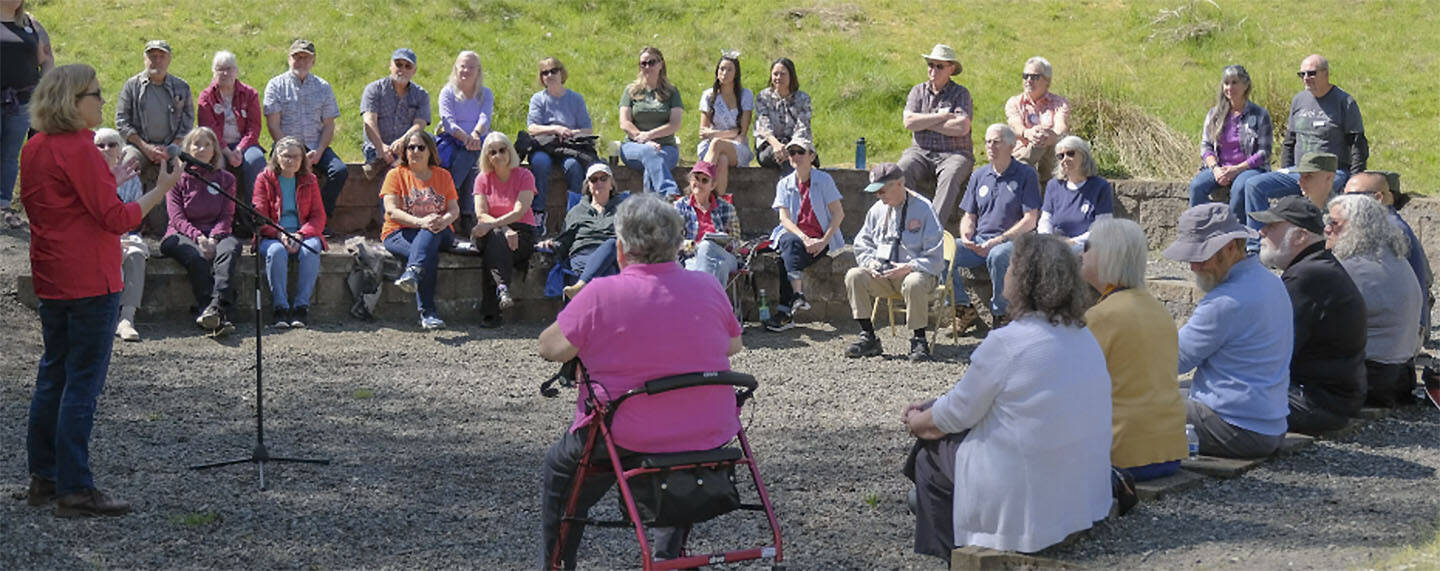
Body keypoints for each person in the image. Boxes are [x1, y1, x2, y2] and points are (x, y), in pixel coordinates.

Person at [538, 193, 744, 569]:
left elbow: (549, 348)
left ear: (620, 249)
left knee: (561, 471)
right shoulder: (708, 287)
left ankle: (556, 563)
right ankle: (670, 555)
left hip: (624, 434)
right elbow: (733, 345)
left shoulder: (600, 293)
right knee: (675, 455)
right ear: (679, 245)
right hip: (706, 432)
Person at [21, 63, 180, 517]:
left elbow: (68, 207)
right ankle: (74, 488)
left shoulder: (34, 149)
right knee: (81, 386)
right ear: (73, 102)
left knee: (53, 376)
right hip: (90, 278)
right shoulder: (80, 149)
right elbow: (116, 218)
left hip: (53, 276)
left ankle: (44, 478)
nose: (101, 99)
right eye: (95, 93)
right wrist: (161, 190)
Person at [902, 232, 1112, 558]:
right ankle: (928, 506)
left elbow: (955, 415)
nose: (1006, 273)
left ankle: (954, 558)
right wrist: (932, 410)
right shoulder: (1084, 336)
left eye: (1011, 267)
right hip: (1082, 490)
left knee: (928, 453)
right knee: (936, 434)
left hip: (1029, 498)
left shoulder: (1007, 343)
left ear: (1025, 280)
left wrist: (918, 420)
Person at [1162, 203, 1291, 458]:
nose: (1193, 267)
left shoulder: (1224, 302)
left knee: (1129, 405)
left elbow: (1168, 363)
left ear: (1231, 247)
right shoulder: (1271, 283)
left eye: (1200, 256)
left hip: (1236, 428)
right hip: (1270, 422)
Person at [1081, 219, 1187, 481]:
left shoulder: (1101, 317)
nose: (1081, 253)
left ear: (1105, 255)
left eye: (1087, 246)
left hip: (1123, 453)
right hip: (1169, 449)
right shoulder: (1158, 310)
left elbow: (1073, 387)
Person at [1251, 196, 1366, 434]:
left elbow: (1275, 349)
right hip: (1333, 398)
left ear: (1300, 236)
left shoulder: (1307, 276)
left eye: (1272, 226)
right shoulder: (1317, 267)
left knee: (1209, 400)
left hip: (1317, 402)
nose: (1261, 232)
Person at [1241, 54, 1366, 246]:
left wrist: (1355, 180)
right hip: (1298, 171)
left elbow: (1357, 144)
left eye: (1312, 73)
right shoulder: (1298, 101)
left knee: (1319, 189)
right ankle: (1257, 246)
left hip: (1332, 172)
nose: (1306, 78)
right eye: (1302, 74)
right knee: (1253, 185)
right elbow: (1289, 141)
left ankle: (1319, 243)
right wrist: (1286, 168)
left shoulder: (1345, 102)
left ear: (1326, 74)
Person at [1325, 194, 1423, 408]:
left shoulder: (1352, 266)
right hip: (1402, 376)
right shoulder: (1394, 258)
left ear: (1358, 227)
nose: (1327, 229)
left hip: (1372, 379)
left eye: (1334, 223)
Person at [844, 163, 943, 362]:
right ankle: (868, 336)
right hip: (884, 276)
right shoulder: (876, 210)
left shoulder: (924, 209)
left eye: (882, 190)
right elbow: (862, 243)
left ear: (900, 183)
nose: (879, 196)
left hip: (918, 274)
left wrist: (908, 267)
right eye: (876, 192)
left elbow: (935, 256)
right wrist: (870, 263)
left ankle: (919, 340)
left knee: (913, 281)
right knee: (854, 275)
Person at [953, 124, 1041, 331]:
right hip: (981, 241)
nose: (990, 146)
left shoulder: (1026, 174)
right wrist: (966, 235)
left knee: (998, 255)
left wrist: (999, 240)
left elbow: (1030, 219)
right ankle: (963, 308)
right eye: (987, 141)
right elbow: (969, 215)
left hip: (1015, 242)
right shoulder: (979, 175)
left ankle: (1001, 313)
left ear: (1011, 145)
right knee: (943, 251)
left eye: (996, 141)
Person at [160, 126, 239, 336]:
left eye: (207, 144)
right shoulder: (176, 178)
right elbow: (176, 217)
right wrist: (199, 238)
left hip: (217, 233)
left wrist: (213, 237)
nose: (202, 148)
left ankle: (215, 309)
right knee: (196, 258)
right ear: (187, 148)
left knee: (229, 251)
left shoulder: (226, 179)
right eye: (197, 144)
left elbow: (226, 216)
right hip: (181, 234)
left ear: (215, 150)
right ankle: (214, 310)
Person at [762, 138, 844, 332]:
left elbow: (839, 213)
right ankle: (796, 296)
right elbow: (785, 219)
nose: (796, 156)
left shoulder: (824, 180)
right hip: (793, 235)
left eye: (801, 152)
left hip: (820, 240)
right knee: (789, 242)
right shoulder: (784, 184)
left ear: (812, 156)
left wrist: (824, 241)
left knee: (784, 259)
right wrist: (804, 237)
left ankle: (785, 312)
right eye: (792, 153)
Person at [114, 39, 193, 233]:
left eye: (161, 56)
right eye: (152, 56)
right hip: (139, 145)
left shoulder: (182, 87)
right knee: (128, 162)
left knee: (185, 168)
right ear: (145, 59)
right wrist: (145, 147)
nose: (156, 61)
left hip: (172, 146)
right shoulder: (132, 86)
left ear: (169, 60)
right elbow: (121, 121)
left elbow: (188, 120)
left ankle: (181, 224)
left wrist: (172, 146)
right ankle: (125, 222)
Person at [382, 131, 459, 330]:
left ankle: (413, 271)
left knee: (430, 233)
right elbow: (391, 210)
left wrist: (442, 220)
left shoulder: (443, 176)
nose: (415, 151)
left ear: (430, 151)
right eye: (411, 147)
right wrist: (420, 222)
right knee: (428, 253)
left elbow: (454, 210)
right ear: (405, 152)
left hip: (440, 231)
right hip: (398, 232)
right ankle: (428, 313)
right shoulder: (396, 175)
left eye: (421, 147)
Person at [263, 39, 346, 221]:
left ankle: (321, 219)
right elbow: (273, 125)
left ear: (313, 61)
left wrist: (320, 151)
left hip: (316, 145)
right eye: (296, 57)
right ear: (288, 59)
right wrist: (294, 154)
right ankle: (279, 218)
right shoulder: (275, 85)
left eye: (305, 58)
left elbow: (329, 125)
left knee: (339, 171)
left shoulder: (323, 87)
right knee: (272, 175)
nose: (301, 62)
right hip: (285, 146)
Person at [1343, 172, 1432, 341]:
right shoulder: (1385, 224)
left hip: (1401, 334)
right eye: (1343, 194)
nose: (1344, 202)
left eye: (1352, 196)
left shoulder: (1388, 230)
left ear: (1378, 198)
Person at [252, 136, 327, 328]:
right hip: (272, 234)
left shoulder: (310, 180)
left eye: (295, 156)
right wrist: (280, 233)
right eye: (285, 156)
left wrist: (301, 234)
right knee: (276, 252)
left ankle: (301, 307)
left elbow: (318, 216)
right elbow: (259, 217)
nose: (290, 161)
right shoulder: (264, 179)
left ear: (302, 159)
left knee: (311, 249)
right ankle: (280, 308)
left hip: (303, 233)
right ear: (276, 156)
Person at [898, 44, 974, 226]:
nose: (933, 70)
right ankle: (902, 222)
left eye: (939, 66)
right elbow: (909, 122)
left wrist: (924, 123)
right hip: (920, 151)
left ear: (951, 69)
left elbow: (962, 127)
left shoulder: (961, 93)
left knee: (951, 175)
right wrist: (941, 117)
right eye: (931, 64)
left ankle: (933, 227)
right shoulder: (918, 91)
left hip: (955, 153)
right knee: (901, 169)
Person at [1187, 65, 1273, 223]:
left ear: (1245, 85)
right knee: (1196, 186)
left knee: (1239, 188)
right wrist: (1215, 169)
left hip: (1250, 169)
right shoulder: (1215, 114)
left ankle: (1233, 235)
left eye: (1234, 82)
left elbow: (1264, 153)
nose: (1229, 87)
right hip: (1220, 168)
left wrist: (1237, 169)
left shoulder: (1260, 114)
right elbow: (1206, 146)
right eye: (1226, 83)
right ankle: (1201, 232)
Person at [471, 132, 538, 328]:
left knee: (496, 244)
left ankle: (492, 310)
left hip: (522, 232)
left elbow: (519, 211)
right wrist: (503, 227)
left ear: (510, 152)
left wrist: (502, 227)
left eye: (502, 150)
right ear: (487, 157)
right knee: (497, 237)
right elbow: (481, 213)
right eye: (492, 152)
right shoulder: (482, 179)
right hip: (488, 230)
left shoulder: (525, 176)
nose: (498, 155)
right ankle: (502, 290)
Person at [196, 50, 266, 234]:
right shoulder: (206, 97)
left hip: (246, 145)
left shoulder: (250, 94)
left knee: (257, 161)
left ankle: (257, 215)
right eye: (220, 69)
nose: (225, 73)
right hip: (217, 146)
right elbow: (209, 129)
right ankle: (217, 219)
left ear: (236, 71)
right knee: (216, 165)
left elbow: (254, 127)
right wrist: (227, 152)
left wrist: (241, 149)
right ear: (213, 71)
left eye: (229, 69)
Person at [93, 128, 149, 342]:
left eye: (112, 144)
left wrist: (122, 234)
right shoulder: (90, 176)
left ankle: (126, 318)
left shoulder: (131, 176)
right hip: (98, 236)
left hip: (126, 232)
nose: (106, 149)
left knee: (135, 253)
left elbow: (136, 213)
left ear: (120, 149)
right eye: (101, 145)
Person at [1, 0, 53, 228]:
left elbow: (46, 58)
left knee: (10, 156)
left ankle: (4, 206)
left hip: (22, 102)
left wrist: (44, 89)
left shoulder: (30, 22)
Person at [526, 56, 592, 236]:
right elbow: (532, 128)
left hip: (569, 147)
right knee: (540, 163)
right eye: (544, 73)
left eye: (553, 70)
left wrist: (570, 133)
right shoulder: (538, 99)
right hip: (545, 146)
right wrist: (555, 129)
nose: (549, 75)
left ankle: (575, 214)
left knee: (573, 167)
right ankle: (538, 214)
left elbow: (587, 129)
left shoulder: (575, 99)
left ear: (561, 73)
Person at [542, 162, 624, 299]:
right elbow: (566, 239)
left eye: (603, 178)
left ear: (612, 184)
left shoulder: (624, 209)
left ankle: (580, 286)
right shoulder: (577, 211)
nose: (599, 182)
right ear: (588, 186)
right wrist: (553, 244)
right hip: (582, 255)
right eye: (594, 179)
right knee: (607, 271)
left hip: (614, 255)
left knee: (611, 244)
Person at [436, 51, 494, 236]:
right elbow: (448, 121)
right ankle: (468, 214)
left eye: (471, 67)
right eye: (462, 66)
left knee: (474, 155)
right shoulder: (448, 92)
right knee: (472, 156)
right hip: (453, 140)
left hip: (478, 139)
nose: (466, 70)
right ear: (456, 68)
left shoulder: (485, 94)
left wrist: (475, 134)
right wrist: (466, 138)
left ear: (478, 71)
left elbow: (485, 117)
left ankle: (450, 203)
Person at [618, 46, 683, 197]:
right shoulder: (631, 91)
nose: (647, 67)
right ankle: (671, 195)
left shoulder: (672, 92)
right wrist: (644, 140)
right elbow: (625, 123)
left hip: (667, 148)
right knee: (650, 152)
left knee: (651, 167)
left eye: (652, 62)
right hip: (633, 146)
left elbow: (675, 124)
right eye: (643, 63)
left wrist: (650, 135)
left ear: (661, 64)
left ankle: (651, 216)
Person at [361, 48, 431, 181]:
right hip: (377, 148)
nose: (402, 69)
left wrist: (403, 141)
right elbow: (369, 121)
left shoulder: (421, 95)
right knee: (392, 180)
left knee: (429, 141)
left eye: (407, 66)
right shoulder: (374, 90)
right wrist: (381, 147)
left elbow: (420, 124)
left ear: (414, 71)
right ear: (390, 66)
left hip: (406, 147)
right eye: (398, 64)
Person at [1040, 136, 1114, 250]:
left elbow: (1102, 227)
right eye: (1061, 156)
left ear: (1084, 156)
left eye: (1070, 153)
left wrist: (1072, 242)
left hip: (1087, 247)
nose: (1065, 159)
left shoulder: (1101, 187)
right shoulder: (1053, 185)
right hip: (1055, 246)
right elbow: (1045, 220)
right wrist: (1048, 239)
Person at [675, 161, 741, 288]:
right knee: (719, 266)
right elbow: (674, 241)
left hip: (724, 255)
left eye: (704, 180)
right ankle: (713, 305)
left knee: (707, 247)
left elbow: (736, 242)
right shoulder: (680, 207)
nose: (699, 183)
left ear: (713, 185)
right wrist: (695, 246)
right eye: (696, 178)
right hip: (693, 257)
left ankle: (700, 301)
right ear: (690, 180)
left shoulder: (726, 208)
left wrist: (725, 243)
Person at [1004, 56, 1069, 184]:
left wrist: (1048, 136)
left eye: (1034, 77)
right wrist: (1028, 133)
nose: (1028, 80)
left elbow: (1061, 127)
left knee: (1042, 137)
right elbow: (1015, 125)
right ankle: (1024, 167)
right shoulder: (1014, 102)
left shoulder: (1060, 103)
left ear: (1047, 81)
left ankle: (1019, 168)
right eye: (1025, 76)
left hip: (1049, 161)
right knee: (1031, 171)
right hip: (1020, 152)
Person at [696, 52, 753, 195]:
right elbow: (703, 133)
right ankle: (718, 202)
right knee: (722, 159)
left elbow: (741, 134)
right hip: (709, 149)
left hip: (738, 148)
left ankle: (698, 188)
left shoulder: (745, 95)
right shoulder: (709, 96)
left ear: (736, 73)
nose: (724, 73)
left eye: (729, 70)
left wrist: (715, 134)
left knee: (717, 143)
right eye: (721, 69)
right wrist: (729, 133)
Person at [753, 57, 815, 172]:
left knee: (793, 155)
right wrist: (777, 145)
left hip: (796, 145)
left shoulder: (803, 98)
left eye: (783, 74)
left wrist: (791, 148)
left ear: (791, 76)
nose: (778, 78)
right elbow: (763, 126)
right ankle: (792, 189)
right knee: (786, 156)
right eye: (775, 74)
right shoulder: (763, 97)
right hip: (769, 147)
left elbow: (802, 127)